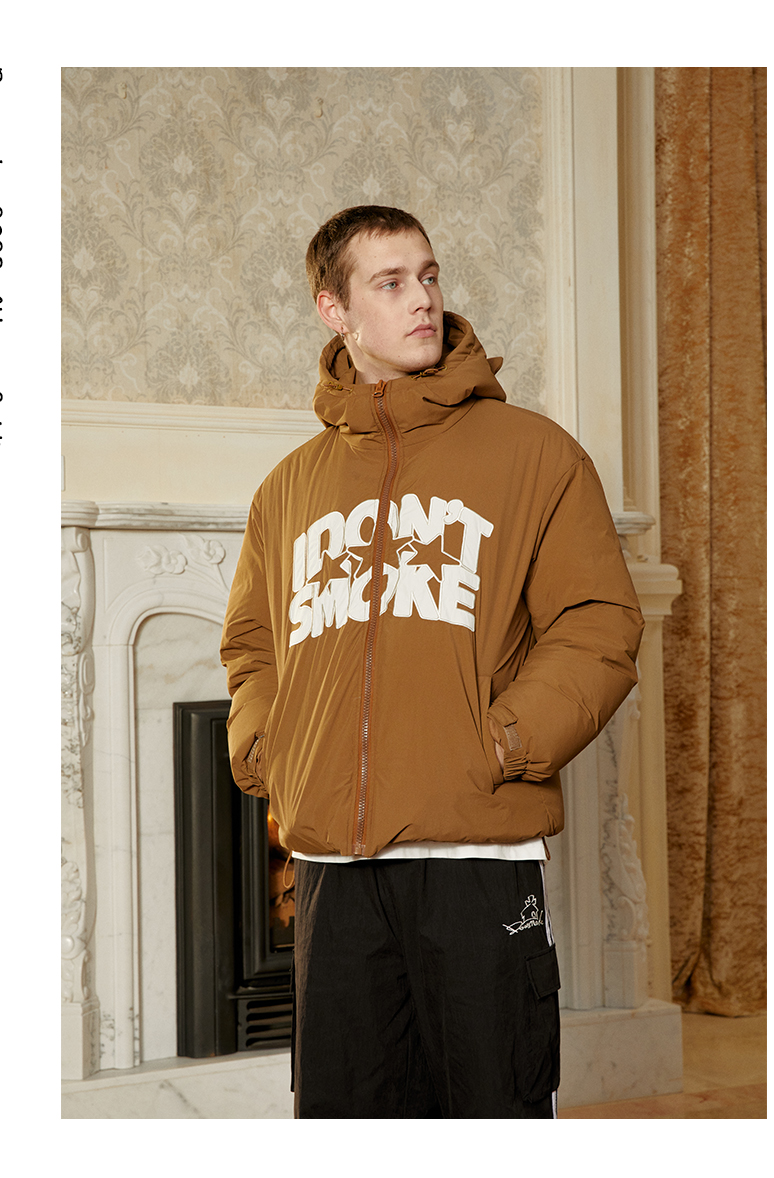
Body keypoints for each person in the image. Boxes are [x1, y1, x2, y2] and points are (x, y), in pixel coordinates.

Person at [220, 205, 644, 1119]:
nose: (423, 299)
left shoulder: (535, 454)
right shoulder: (287, 489)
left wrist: (502, 741)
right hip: (331, 871)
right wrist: (269, 750)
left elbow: (598, 624)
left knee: (493, 1113)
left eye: (429, 275)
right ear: (334, 309)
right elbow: (252, 646)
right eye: (390, 282)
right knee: (346, 1119)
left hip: (476, 857)